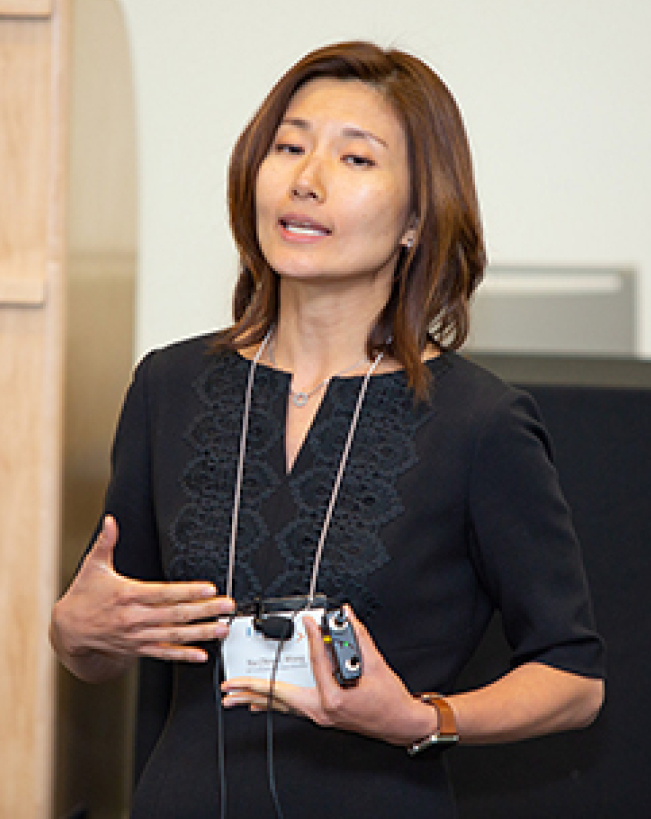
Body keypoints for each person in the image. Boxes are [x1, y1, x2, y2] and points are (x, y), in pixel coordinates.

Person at [50, 41, 605, 818]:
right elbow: (104, 645)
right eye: (288, 146)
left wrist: (423, 718)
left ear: (417, 217)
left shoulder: (481, 423)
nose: (305, 180)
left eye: (355, 159)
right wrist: (74, 632)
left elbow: (573, 680)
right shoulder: (168, 386)